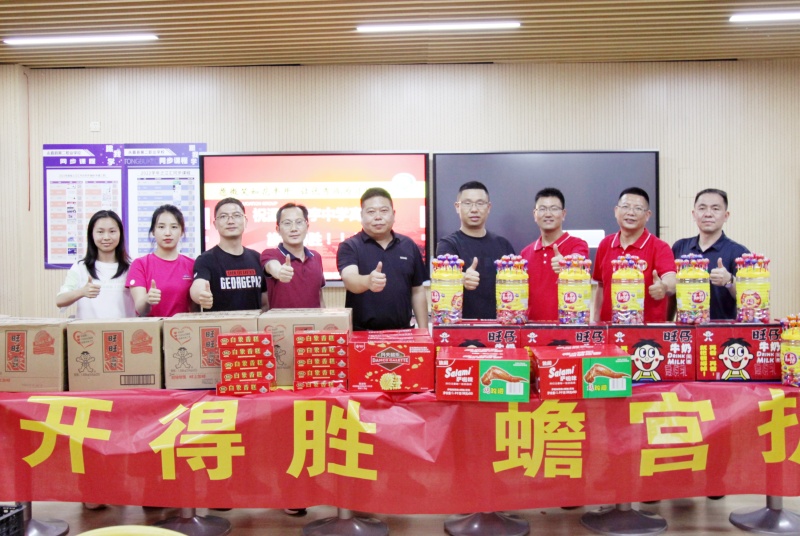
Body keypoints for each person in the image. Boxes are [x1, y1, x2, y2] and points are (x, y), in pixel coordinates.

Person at [337, 187, 428, 331]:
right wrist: (368, 281)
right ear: (361, 215)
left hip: (403, 333)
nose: (378, 217)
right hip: (362, 334)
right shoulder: (350, 246)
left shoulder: (408, 245)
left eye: (384, 211)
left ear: (393, 214)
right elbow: (349, 279)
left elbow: (417, 290)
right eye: (371, 212)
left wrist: (424, 332)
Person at [592, 187, 676, 323]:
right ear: (616, 211)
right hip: (609, 329)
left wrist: (664, 287)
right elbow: (601, 286)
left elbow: (671, 279)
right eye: (625, 207)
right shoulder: (605, 244)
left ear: (647, 215)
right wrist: (596, 322)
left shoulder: (660, 247)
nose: (631, 213)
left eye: (638, 208)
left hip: (647, 331)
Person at [436, 181, 515, 320]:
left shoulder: (503, 245)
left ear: (488, 207)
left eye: (480, 203)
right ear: (457, 207)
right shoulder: (448, 245)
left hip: (500, 325)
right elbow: (443, 280)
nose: (474, 209)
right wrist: (461, 278)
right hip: (461, 326)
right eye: (467, 203)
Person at [672, 188, 749, 320]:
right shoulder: (680, 247)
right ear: (694, 214)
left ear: (726, 216)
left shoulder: (739, 252)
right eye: (702, 208)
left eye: (715, 209)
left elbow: (749, 297)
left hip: (723, 329)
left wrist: (729, 281)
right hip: (686, 327)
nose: (708, 214)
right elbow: (673, 294)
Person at [520, 187, 589, 321]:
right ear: (535, 214)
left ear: (563, 214)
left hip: (567, 326)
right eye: (542, 209)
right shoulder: (525, 253)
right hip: (532, 328)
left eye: (554, 209)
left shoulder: (577, 245)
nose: (548, 214)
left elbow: (578, 261)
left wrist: (567, 265)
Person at [56, 209, 136, 319]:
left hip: (124, 329)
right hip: (89, 329)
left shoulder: (132, 267)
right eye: (100, 232)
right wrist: (82, 292)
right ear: (91, 235)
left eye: (112, 231)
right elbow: (60, 300)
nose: (106, 237)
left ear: (120, 234)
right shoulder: (80, 267)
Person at [191, 197, 266, 312]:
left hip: (253, 324)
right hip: (220, 323)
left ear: (245, 221)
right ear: (215, 224)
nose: (230, 221)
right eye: (223, 216)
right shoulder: (206, 259)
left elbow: (265, 302)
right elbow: (198, 285)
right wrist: (201, 295)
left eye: (236, 215)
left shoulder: (257, 258)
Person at [127, 204, 194, 317]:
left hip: (183, 327)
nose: (167, 233)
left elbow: (196, 307)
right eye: (161, 227)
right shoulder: (140, 264)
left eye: (174, 227)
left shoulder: (192, 264)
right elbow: (140, 309)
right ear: (153, 231)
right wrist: (147, 300)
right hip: (152, 327)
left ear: (182, 231)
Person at [260, 203, 325, 309]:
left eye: (299, 222)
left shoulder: (316, 257)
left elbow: (320, 296)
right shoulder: (270, 254)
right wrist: (279, 272)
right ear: (278, 229)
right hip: (282, 320)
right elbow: (272, 266)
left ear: (307, 226)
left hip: (314, 319)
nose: (294, 228)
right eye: (287, 223)